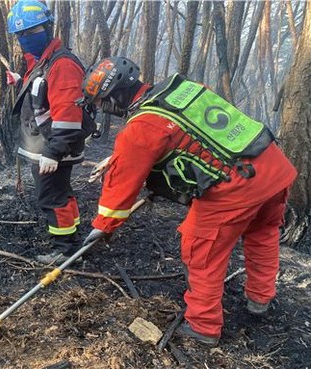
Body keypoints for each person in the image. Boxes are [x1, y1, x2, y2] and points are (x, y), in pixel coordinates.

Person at [81, 57, 297, 346]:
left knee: (200, 248)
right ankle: (260, 298)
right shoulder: (181, 88)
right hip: (272, 165)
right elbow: (194, 137)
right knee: (262, 232)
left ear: (115, 96)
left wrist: (103, 226)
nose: (105, 110)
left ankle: (203, 327)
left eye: (103, 103)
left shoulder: (142, 125)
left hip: (238, 185)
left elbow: (119, 188)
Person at [6, 0, 95, 264]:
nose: (25, 39)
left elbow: (68, 114)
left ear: (47, 27)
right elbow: (43, 95)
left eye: (31, 32)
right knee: (61, 193)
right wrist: (21, 81)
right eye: (20, 35)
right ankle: (74, 240)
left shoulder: (62, 64)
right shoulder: (44, 61)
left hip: (53, 147)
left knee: (51, 197)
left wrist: (53, 153)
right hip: (46, 144)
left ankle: (65, 250)